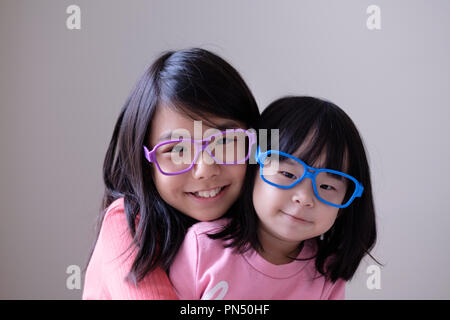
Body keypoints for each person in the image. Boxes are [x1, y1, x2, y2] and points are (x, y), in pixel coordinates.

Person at [82, 48, 260, 299]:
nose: (205, 169)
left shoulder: (259, 228)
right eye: (178, 150)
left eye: (224, 142)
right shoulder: (126, 224)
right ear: (146, 162)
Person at [169, 96, 379, 299]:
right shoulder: (202, 247)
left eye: (327, 186)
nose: (304, 197)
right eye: (287, 174)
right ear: (253, 167)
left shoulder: (327, 275)